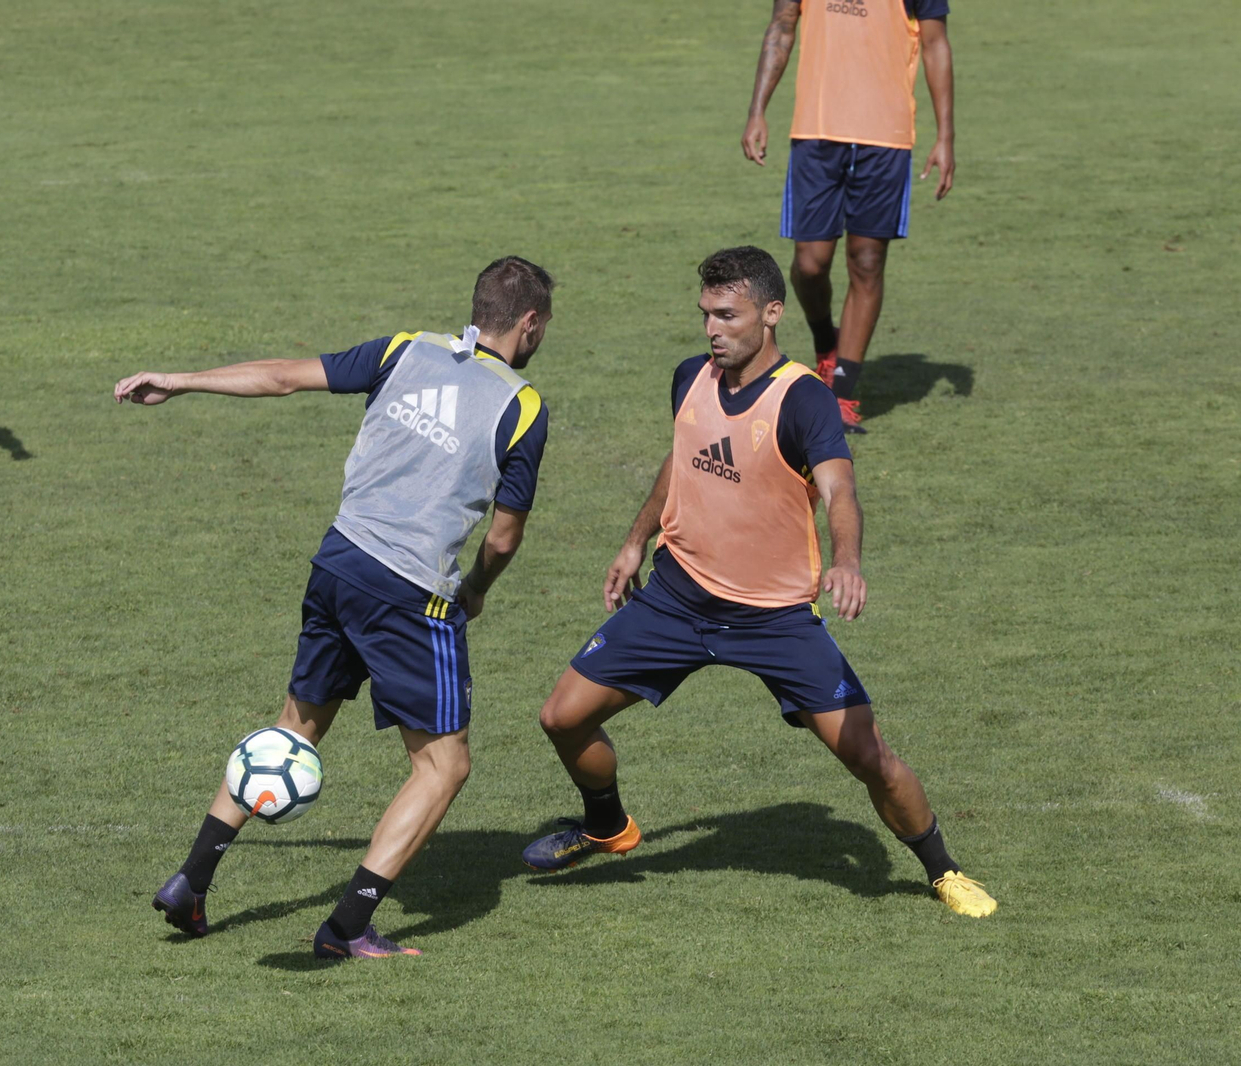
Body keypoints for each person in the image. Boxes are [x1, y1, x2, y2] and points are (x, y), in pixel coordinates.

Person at [520, 247, 994, 918]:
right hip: (677, 600)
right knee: (560, 718)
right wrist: (636, 540)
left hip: (773, 619)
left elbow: (840, 491)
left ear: (771, 314)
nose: (713, 329)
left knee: (869, 756)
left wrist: (847, 560)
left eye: (728, 315)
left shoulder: (802, 400)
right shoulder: (691, 377)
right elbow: (684, 456)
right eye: (705, 315)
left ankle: (943, 870)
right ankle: (607, 826)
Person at [116, 257, 555, 959]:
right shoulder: (523, 405)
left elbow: (286, 375)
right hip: (411, 591)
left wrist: (182, 378)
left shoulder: (406, 349)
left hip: (339, 560)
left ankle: (190, 883)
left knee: (297, 727)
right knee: (444, 767)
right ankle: (346, 927)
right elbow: (504, 537)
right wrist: (475, 588)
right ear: (529, 323)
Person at [740, 0, 955, 434]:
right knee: (809, 263)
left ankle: (842, 393)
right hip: (816, 134)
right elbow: (782, 26)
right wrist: (757, 109)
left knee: (867, 261)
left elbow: (935, 44)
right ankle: (827, 342)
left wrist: (945, 135)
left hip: (887, 137)